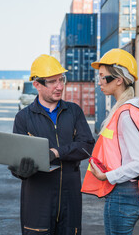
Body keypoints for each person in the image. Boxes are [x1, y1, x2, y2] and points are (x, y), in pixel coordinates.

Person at [9, 54, 95, 235]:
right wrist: (19, 170)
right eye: (52, 82)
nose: (60, 86)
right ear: (37, 85)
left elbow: (86, 145)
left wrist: (56, 152)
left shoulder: (74, 112)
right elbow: (17, 159)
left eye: (61, 79)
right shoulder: (24, 118)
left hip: (70, 198)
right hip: (38, 198)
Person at [81, 49, 139, 235]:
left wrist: (107, 176)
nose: (99, 82)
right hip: (128, 194)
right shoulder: (131, 110)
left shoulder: (125, 115)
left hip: (123, 195)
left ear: (119, 80)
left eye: (104, 77)